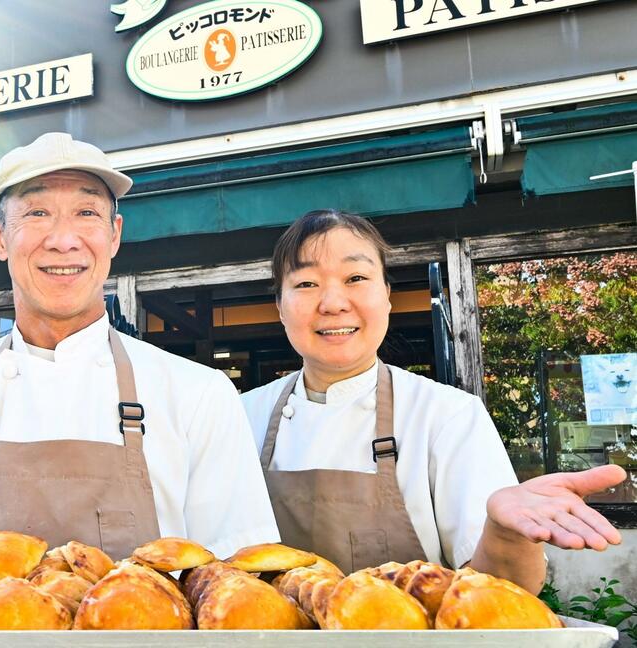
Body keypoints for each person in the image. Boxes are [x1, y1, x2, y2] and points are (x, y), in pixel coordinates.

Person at [0, 132, 279, 566]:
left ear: (114, 235)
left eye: (86, 212)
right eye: (37, 212)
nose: (64, 239)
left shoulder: (200, 396)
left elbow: (233, 591)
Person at [241, 209, 626, 594]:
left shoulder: (448, 415)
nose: (333, 302)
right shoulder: (238, 416)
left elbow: (502, 593)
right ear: (280, 306)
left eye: (355, 278)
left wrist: (506, 535)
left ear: (387, 297)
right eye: (306, 283)